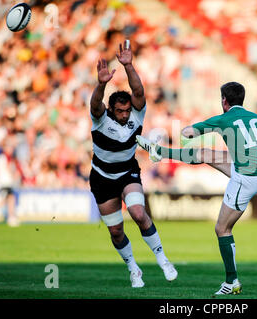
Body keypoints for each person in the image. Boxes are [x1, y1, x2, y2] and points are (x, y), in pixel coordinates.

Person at [137, 81, 257, 295]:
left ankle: (232, 281)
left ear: (224, 100)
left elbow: (188, 133)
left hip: (245, 178)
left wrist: (186, 132)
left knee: (222, 229)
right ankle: (159, 152)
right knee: (206, 154)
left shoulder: (223, 119)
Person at [89, 40, 177, 288]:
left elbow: (138, 92)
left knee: (139, 213)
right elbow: (95, 103)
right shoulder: (100, 118)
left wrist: (129, 66)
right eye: (120, 111)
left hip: (127, 172)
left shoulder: (136, 113)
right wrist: (101, 84)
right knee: (116, 231)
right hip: (101, 177)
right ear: (112, 109)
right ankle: (133, 268)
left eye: (127, 110)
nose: (125, 114)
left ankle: (163, 259)